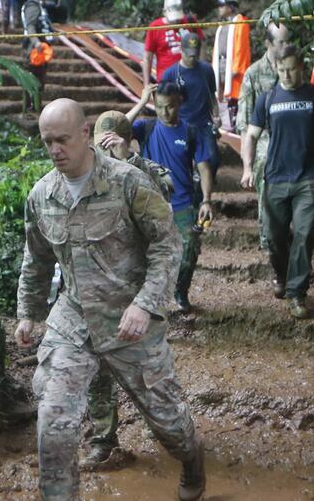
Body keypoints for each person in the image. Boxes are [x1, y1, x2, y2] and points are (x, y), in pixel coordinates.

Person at [16, 99, 205, 501]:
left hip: (131, 319)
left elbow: (167, 245)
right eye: (47, 142)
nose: (54, 150)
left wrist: (146, 303)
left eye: (62, 140)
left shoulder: (128, 182)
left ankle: (192, 464)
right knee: (54, 422)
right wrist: (29, 314)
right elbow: (36, 258)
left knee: (170, 424)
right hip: (74, 320)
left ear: (86, 133)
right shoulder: (41, 195)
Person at [81, 111, 174, 469]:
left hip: (137, 294)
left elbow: (166, 192)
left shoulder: (147, 170)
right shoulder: (85, 175)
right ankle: (102, 441)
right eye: (100, 145)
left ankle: (170, 431)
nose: (105, 151)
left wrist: (127, 160)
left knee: (148, 371)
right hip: (97, 294)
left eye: (112, 143)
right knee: (98, 373)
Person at [240, 45, 314, 319]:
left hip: (307, 179)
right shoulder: (268, 99)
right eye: (281, 69)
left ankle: (297, 293)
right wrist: (248, 168)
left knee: (303, 235)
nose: (286, 74)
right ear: (276, 68)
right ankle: (282, 274)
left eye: (291, 68)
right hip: (275, 178)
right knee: (275, 239)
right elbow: (250, 135)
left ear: (302, 66)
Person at [126, 83, 215, 312]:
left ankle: (180, 291)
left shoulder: (191, 131)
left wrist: (206, 199)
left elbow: (204, 167)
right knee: (146, 254)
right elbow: (116, 128)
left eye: (171, 107)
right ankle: (148, 300)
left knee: (189, 249)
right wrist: (141, 101)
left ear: (180, 103)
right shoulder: (146, 127)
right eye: (160, 107)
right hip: (150, 203)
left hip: (183, 202)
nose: (166, 113)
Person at [236, 22, 290, 253]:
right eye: (281, 42)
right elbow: (244, 123)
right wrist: (246, 164)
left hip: (291, 139)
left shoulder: (294, 70)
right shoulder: (254, 73)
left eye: (289, 41)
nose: (286, 46)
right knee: (267, 173)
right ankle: (269, 240)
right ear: (268, 44)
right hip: (264, 140)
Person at [161, 32, 221, 179]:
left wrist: (217, 116)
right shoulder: (171, 74)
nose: (192, 58)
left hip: (204, 123)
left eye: (195, 55)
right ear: (181, 50)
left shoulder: (206, 70)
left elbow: (212, 96)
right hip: (181, 124)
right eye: (189, 55)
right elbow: (162, 101)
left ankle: (202, 193)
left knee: (213, 159)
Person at [143, 0, 205, 87]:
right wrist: (146, 84)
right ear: (164, 12)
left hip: (191, 75)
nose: (176, 21)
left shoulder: (190, 22)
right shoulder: (155, 27)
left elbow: (201, 46)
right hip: (166, 79)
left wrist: (203, 73)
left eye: (178, 18)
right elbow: (148, 58)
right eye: (173, 19)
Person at [212, 0, 251, 131]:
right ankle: (227, 125)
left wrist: (237, 67)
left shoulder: (240, 22)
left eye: (222, 5)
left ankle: (237, 127)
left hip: (233, 66)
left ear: (231, 7)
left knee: (235, 97)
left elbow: (242, 47)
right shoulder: (223, 24)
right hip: (222, 64)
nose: (219, 8)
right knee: (224, 98)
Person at [21, 0, 55, 102]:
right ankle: (31, 110)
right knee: (33, 81)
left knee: (40, 81)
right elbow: (30, 26)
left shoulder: (40, 6)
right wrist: (37, 43)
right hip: (34, 50)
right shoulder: (32, 6)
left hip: (41, 50)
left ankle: (36, 109)